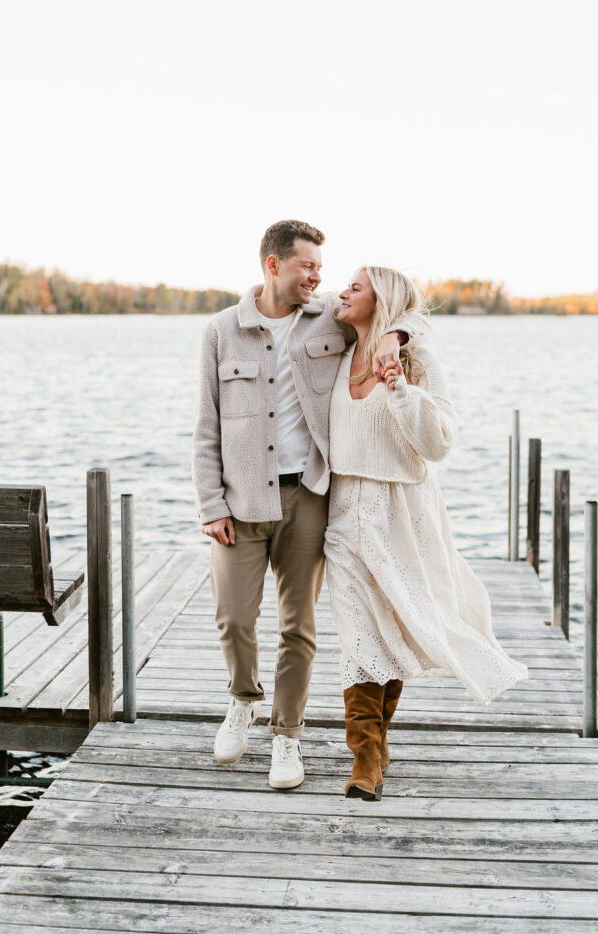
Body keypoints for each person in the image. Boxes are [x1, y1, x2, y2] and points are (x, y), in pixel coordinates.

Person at [191, 221, 414, 790]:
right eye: (307, 267)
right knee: (234, 618)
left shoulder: (330, 321)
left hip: (309, 495)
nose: (319, 277)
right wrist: (210, 504)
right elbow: (205, 428)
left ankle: (286, 737)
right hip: (240, 502)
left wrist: (399, 336)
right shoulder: (221, 331)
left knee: (300, 626)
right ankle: (243, 699)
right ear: (273, 265)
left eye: (321, 266)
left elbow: (394, 307)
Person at [324, 265, 529, 801]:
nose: (341, 292)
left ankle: (378, 744)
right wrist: (394, 329)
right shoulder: (338, 349)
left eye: (355, 287)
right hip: (344, 510)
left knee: (398, 624)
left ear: (382, 300)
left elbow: (437, 446)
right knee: (357, 637)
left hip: (403, 510)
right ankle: (365, 758)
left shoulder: (419, 361)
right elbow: (286, 307)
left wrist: (400, 388)